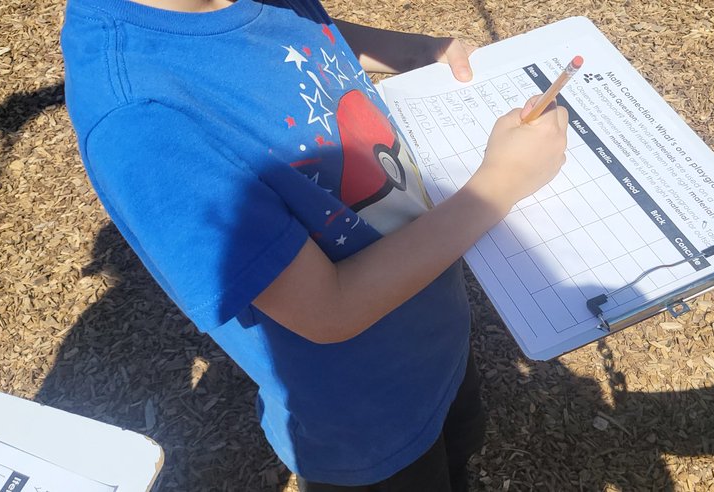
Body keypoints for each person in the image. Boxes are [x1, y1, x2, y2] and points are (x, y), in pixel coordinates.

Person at [59, 0, 569, 489]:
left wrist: (413, 52)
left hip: (437, 338)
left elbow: (297, 36)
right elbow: (328, 309)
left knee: (457, 457)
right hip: (362, 422)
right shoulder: (140, 120)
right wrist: (499, 184)